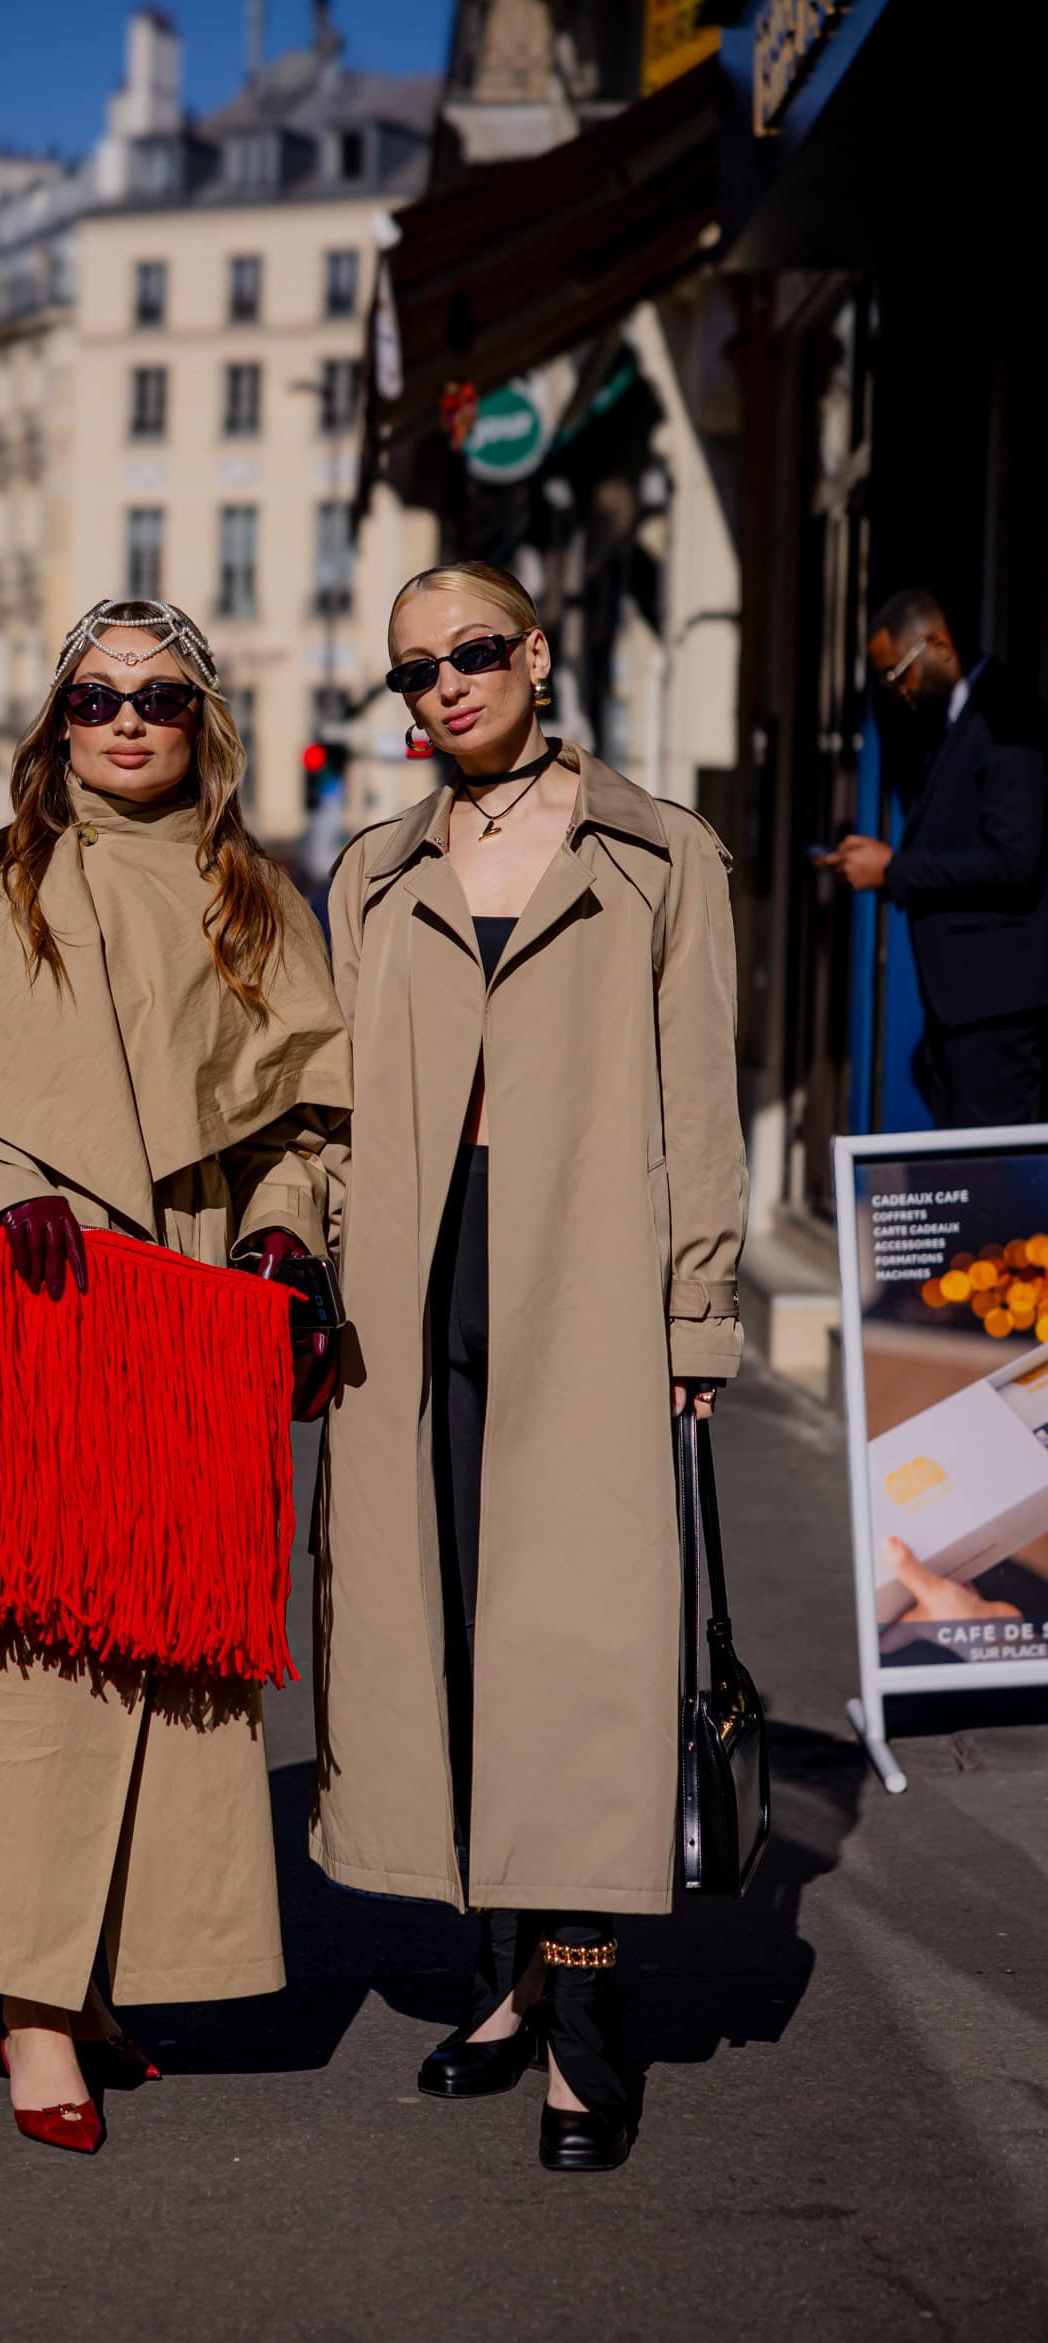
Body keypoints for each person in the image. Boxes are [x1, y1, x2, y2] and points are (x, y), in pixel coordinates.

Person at [0, 598, 352, 2154]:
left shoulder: (256, 901)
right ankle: (33, 2007)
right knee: (18, 1666)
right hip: (14, 1308)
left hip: (177, 1309)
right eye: (96, 696)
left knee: (154, 1659)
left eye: (158, 696)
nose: (125, 719)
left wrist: (286, 1242)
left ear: (200, 722)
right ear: (55, 722)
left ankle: (92, 1976)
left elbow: (307, 1129)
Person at [313, 562, 747, 2173]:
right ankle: (491, 1981)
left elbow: (697, 1106)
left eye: (473, 653)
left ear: (537, 658)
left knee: (577, 1649)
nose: (446, 687)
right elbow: (334, 1109)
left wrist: (694, 1315)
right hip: (412, 1282)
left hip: (583, 1273)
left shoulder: (654, 853)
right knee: (445, 1634)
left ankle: (583, 2022)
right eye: (415, 670)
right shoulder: (367, 871)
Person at [823, 588, 1048, 1127]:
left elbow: (1014, 862)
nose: (897, 691)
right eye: (886, 680)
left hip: (998, 1011)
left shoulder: (1006, 718)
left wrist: (894, 869)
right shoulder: (950, 721)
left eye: (899, 673)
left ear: (939, 645)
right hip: (964, 1009)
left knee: (996, 1183)